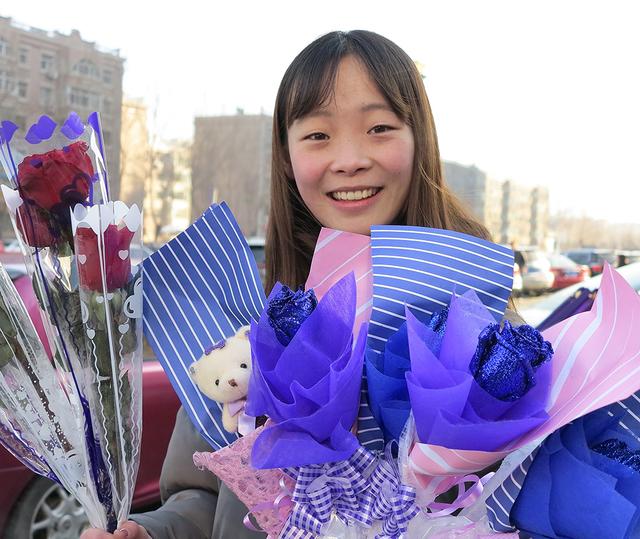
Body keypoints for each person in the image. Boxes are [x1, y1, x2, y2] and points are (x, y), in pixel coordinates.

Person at [81, 29, 508, 539]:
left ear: (419, 141)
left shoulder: (487, 338)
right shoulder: (250, 318)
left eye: (379, 128)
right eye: (318, 135)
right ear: (287, 155)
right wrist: (154, 531)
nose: (348, 158)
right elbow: (200, 495)